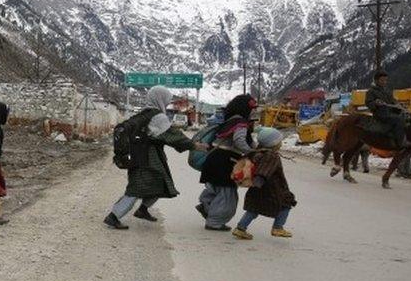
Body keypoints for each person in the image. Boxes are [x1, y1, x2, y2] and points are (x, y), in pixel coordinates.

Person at [104, 86, 196, 229]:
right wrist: (193, 145)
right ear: (160, 98)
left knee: (160, 183)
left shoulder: (144, 114)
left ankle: (143, 210)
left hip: (140, 156)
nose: (167, 101)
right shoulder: (158, 117)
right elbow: (172, 136)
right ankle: (113, 216)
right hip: (146, 159)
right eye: (166, 99)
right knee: (136, 189)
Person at [197, 94, 257, 231]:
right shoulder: (241, 122)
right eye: (251, 108)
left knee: (214, 188)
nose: (252, 112)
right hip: (226, 161)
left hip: (214, 158)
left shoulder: (229, 120)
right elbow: (240, 141)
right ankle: (215, 222)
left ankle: (206, 205)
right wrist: (252, 152)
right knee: (227, 194)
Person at [232, 129, 297, 240]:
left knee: (254, 209)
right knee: (286, 203)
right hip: (271, 188)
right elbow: (264, 170)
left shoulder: (257, 152)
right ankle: (278, 227)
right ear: (273, 144)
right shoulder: (271, 155)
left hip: (258, 187)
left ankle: (240, 228)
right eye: (279, 141)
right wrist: (258, 182)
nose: (281, 143)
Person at [365, 71, 411, 149]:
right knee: (398, 120)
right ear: (376, 80)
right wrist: (375, 103)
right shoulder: (371, 91)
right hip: (381, 114)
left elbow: (393, 101)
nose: (384, 82)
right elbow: (368, 103)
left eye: (385, 80)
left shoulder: (386, 91)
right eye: (382, 80)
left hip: (390, 112)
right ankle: (401, 142)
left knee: (408, 117)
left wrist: (400, 105)